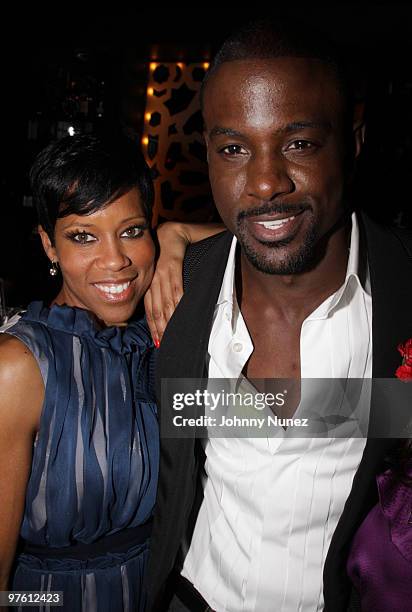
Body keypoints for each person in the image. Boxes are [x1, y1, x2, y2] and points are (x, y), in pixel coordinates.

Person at [144, 19, 412, 612]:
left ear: (354, 138)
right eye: (234, 148)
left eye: (298, 143)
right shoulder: (182, 286)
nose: (264, 182)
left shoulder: (401, 293)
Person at [0, 132, 222, 612]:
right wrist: (43, 601)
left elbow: (271, 243)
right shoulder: (19, 367)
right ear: (48, 245)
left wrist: (178, 233)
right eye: (83, 236)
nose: (116, 260)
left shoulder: (158, 334)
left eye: (132, 230)